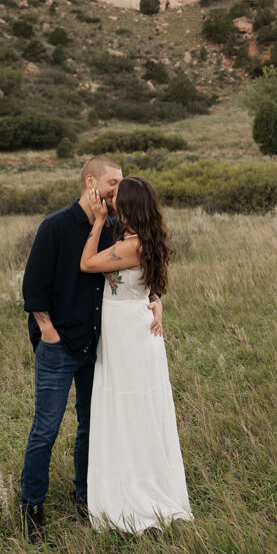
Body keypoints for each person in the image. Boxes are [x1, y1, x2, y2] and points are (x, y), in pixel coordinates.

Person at [20, 157, 163, 542]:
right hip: (58, 345)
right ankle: (31, 508)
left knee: (91, 426)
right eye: (112, 182)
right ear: (90, 182)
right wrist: (47, 331)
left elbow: (137, 271)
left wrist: (155, 299)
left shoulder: (117, 227)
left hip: (98, 346)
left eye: (120, 183)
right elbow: (33, 288)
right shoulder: (56, 226)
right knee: (46, 429)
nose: (117, 189)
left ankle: (85, 496)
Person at [81, 175, 192, 533]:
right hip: (135, 326)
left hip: (127, 332)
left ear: (128, 207)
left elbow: (87, 263)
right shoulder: (143, 240)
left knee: (127, 408)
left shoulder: (131, 247)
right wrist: (155, 302)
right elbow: (149, 288)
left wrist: (97, 222)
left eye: (115, 198)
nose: (110, 201)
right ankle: (140, 480)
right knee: (136, 408)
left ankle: (137, 495)